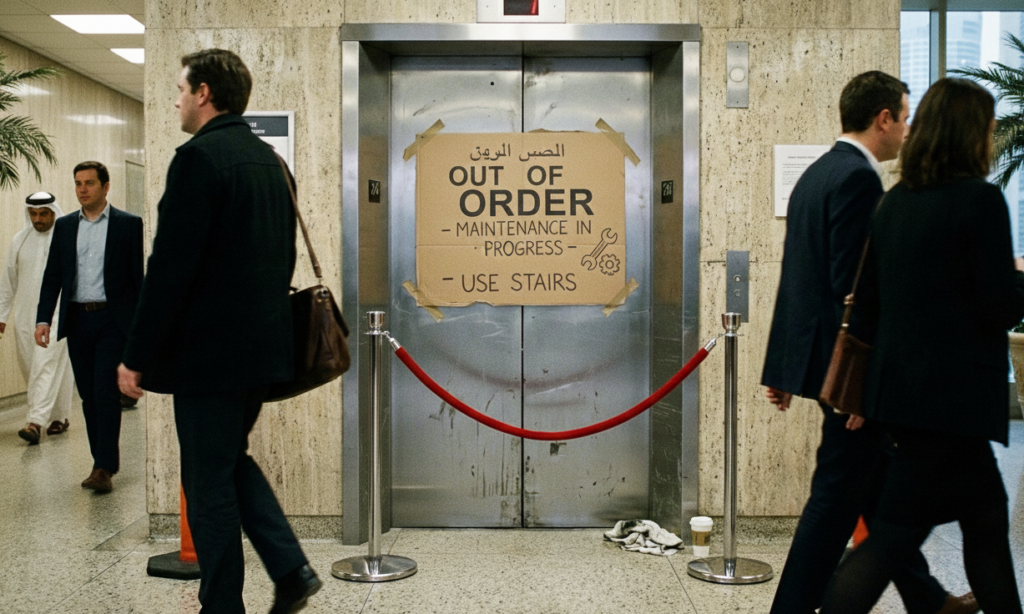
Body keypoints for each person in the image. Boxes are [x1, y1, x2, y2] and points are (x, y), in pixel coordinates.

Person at [761, 71, 976, 614]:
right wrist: (862, 386)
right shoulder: (858, 180)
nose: (907, 130)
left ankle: (928, 599)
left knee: (879, 494)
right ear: (883, 118)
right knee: (835, 500)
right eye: (904, 117)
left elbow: (797, 281)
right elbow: (851, 291)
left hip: (824, 365)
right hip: (850, 377)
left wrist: (784, 368)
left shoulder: (817, 173)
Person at [116, 49, 320, 614]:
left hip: (209, 358)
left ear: (204, 92)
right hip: (262, 352)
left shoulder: (199, 159)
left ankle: (224, 605)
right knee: (228, 460)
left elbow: (170, 269)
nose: (176, 100)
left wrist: (135, 354)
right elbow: (280, 261)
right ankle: (290, 568)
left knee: (207, 485)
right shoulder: (271, 162)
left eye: (181, 89)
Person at [820, 78, 1024, 613]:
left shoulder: (893, 206)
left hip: (905, 402)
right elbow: (1001, 305)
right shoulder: (980, 202)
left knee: (984, 527)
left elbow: (866, 302)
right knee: (891, 541)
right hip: (952, 408)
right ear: (970, 134)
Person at [35, 162, 143, 494]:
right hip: (78, 319)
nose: (83, 189)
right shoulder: (65, 227)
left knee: (104, 392)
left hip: (112, 319)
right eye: (79, 183)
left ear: (105, 187)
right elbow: (53, 274)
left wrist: (137, 329)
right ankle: (100, 460)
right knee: (88, 396)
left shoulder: (128, 225)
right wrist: (43, 318)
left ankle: (104, 467)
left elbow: (135, 281)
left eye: (90, 183)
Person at [0, 192, 74, 445]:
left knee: (45, 364)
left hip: (56, 314)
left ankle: (34, 422)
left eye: (43, 213)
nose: (38, 219)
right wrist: (2, 315)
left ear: (54, 212)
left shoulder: (67, 238)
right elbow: (7, 282)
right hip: (25, 317)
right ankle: (60, 416)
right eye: (33, 213)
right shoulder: (19, 241)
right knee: (36, 367)